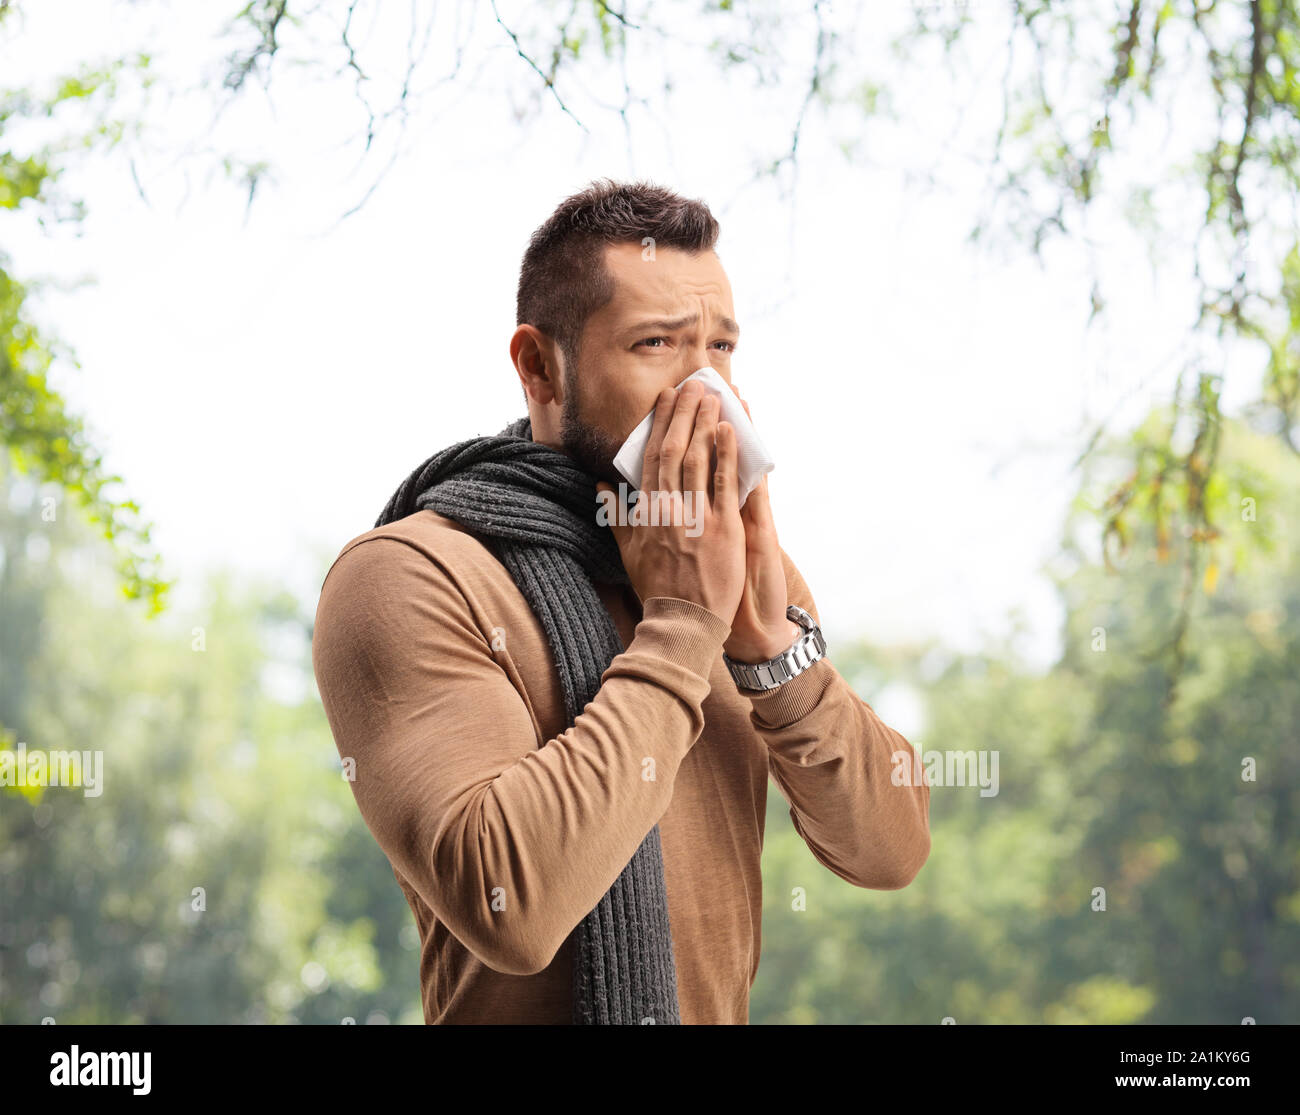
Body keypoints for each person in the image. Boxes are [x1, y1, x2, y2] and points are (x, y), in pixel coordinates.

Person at [311, 177, 931, 1024]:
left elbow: (891, 850)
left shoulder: (741, 568)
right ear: (540, 368)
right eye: (657, 345)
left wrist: (768, 654)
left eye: (721, 348)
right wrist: (681, 629)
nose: (706, 393)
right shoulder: (413, 574)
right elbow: (508, 903)